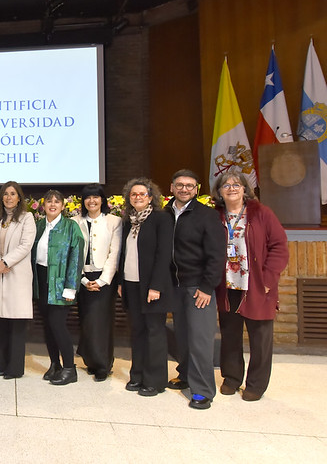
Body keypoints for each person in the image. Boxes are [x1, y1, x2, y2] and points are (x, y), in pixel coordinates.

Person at [213, 170, 289, 402]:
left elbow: (279, 246)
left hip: (257, 285)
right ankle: (232, 378)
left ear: (245, 189)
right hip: (227, 286)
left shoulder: (262, 213)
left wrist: (268, 279)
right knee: (230, 336)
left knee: (260, 339)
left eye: (236, 185)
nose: (232, 188)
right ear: (219, 192)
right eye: (226, 185)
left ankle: (256, 384)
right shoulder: (215, 216)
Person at [164, 169, 226, 410]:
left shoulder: (207, 215)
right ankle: (186, 375)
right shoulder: (165, 213)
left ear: (196, 189)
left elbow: (216, 255)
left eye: (190, 185)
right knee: (182, 336)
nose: (184, 189)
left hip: (198, 287)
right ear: (171, 187)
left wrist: (207, 287)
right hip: (174, 286)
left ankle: (202, 390)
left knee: (200, 339)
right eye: (179, 185)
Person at [117, 177, 173, 397]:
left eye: (142, 194)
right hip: (131, 284)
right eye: (133, 194)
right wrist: (121, 282)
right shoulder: (128, 221)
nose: (137, 197)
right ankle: (137, 375)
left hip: (152, 287)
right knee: (137, 331)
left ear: (151, 197)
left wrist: (156, 286)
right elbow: (124, 255)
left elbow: (164, 255)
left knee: (154, 332)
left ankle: (154, 381)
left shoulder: (161, 219)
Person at [31, 190, 84, 385]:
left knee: (58, 324)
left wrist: (71, 287)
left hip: (61, 284)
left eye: (57, 202)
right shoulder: (38, 226)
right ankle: (55, 364)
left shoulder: (71, 227)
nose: (52, 204)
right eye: (49, 201)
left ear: (62, 206)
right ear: (43, 205)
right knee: (47, 325)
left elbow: (76, 257)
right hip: (41, 281)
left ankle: (70, 368)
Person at [0, 181, 36, 379]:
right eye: (5, 194)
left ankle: (15, 369)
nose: (9, 197)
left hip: (16, 276)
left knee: (16, 325)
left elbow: (26, 245)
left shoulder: (27, 218)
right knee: (0, 323)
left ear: (19, 197)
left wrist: (5, 261)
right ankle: (3, 365)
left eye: (13, 193)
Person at [73, 184, 122, 382]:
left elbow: (115, 252)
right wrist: (83, 280)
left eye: (96, 197)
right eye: (87, 197)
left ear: (102, 200)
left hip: (105, 278)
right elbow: (73, 253)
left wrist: (102, 281)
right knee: (86, 321)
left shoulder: (114, 221)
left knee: (102, 322)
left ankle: (104, 364)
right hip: (83, 278)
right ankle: (91, 361)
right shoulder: (75, 221)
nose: (91, 201)